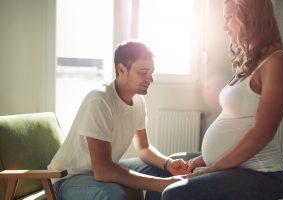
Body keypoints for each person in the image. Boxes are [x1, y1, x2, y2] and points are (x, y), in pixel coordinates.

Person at [162, 0, 283, 199]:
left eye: (228, 18)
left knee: (174, 194)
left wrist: (213, 168)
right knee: (164, 177)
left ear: (248, 16)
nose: (225, 27)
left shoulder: (279, 61)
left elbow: (261, 134)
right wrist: (202, 159)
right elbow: (237, 123)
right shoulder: (252, 61)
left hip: (265, 175)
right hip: (239, 167)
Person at [48, 40, 189, 200]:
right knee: (113, 194)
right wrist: (159, 184)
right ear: (121, 69)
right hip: (69, 178)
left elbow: (143, 148)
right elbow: (103, 170)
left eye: (151, 72)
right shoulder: (99, 100)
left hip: (100, 170)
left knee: (162, 172)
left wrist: (168, 163)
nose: (150, 79)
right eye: (143, 73)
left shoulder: (138, 101)